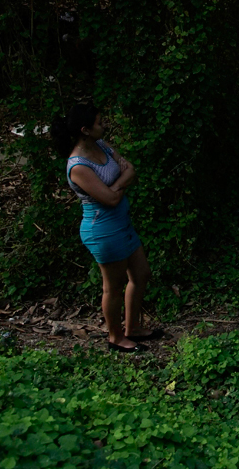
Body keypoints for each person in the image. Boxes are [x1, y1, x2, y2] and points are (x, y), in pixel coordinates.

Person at [50, 103, 161, 353]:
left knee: (141, 273)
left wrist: (118, 185)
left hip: (122, 223)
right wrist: (123, 183)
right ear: (85, 130)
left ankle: (132, 327)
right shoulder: (78, 166)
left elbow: (130, 168)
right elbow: (109, 199)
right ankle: (115, 337)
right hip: (102, 230)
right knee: (113, 286)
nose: (104, 126)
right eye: (99, 123)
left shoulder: (101, 145)